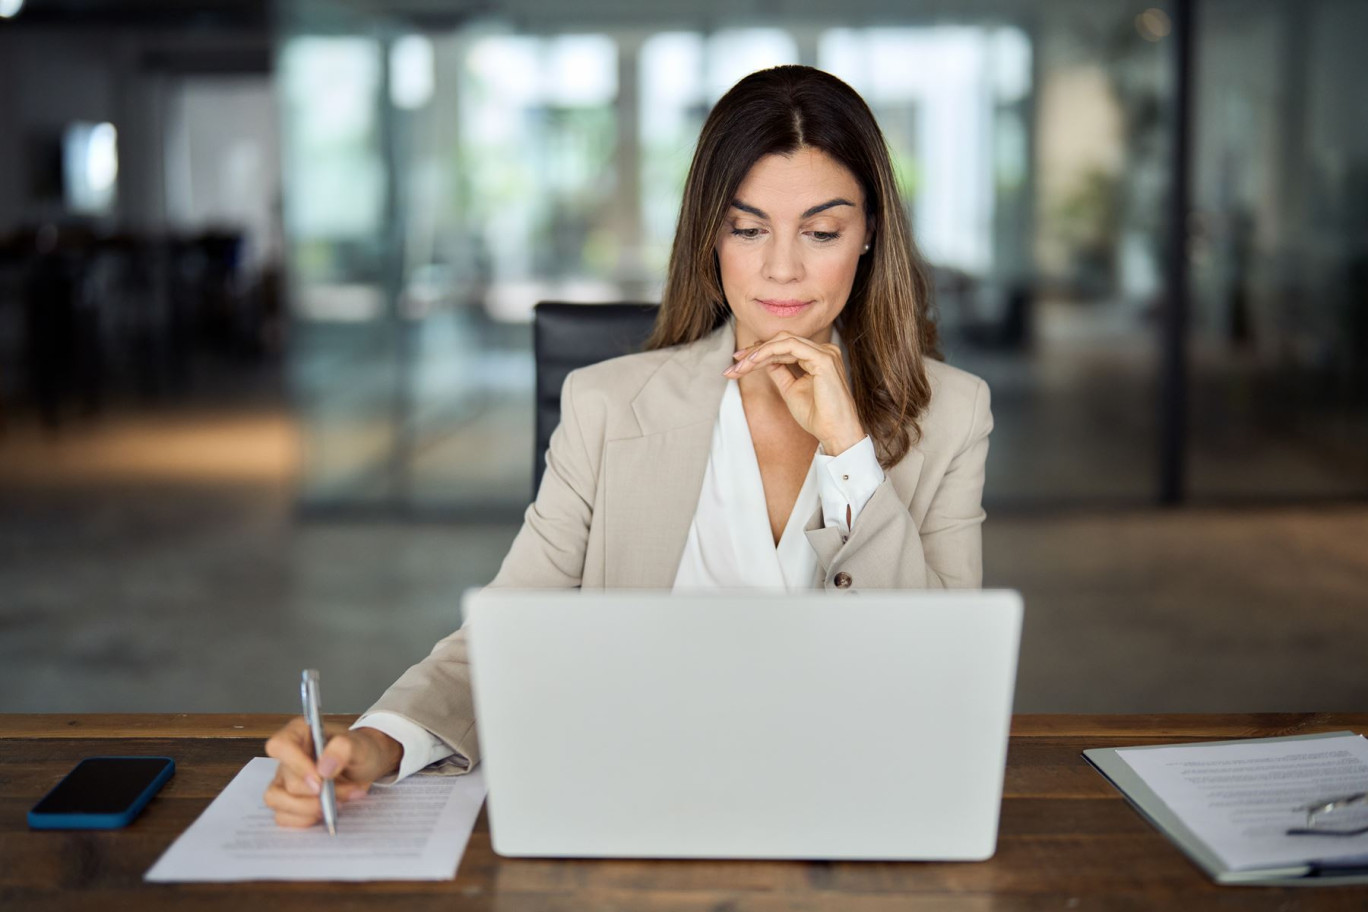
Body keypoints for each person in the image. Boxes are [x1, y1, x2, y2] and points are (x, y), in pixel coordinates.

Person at [263, 64, 993, 828]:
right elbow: (514, 627)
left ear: (870, 231)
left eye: (821, 231)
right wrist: (378, 743)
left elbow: (943, 674)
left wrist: (850, 452)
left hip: (856, 800)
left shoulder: (952, 414)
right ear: (710, 235)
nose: (782, 267)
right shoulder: (606, 405)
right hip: (642, 797)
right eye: (748, 229)